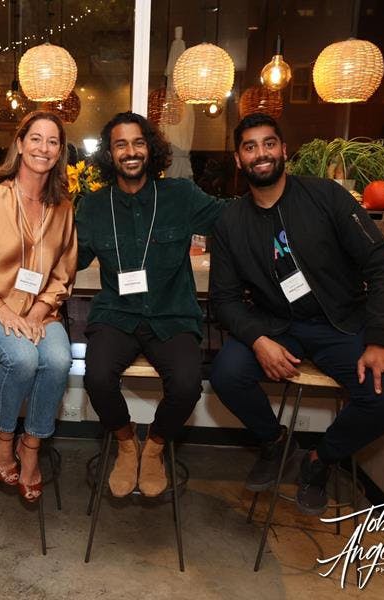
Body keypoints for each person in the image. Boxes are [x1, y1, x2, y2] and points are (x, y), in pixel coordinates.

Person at [208, 113, 384, 515]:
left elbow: (383, 268)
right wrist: (258, 340)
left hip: (338, 324)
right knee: (226, 374)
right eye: (250, 147)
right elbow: (224, 299)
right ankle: (276, 443)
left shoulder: (326, 197)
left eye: (269, 144)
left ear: (284, 150)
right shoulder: (230, 221)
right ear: (239, 160)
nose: (261, 154)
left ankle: (320, 460)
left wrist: (378, 340)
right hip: (275, 326)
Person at [76, 111, 226, 498]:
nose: (130, 151)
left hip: (172, 314)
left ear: (150, 148)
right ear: (109, 154)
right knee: (96, 377)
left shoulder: (180, 195)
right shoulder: (93, 206)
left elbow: (231, 221)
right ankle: (127, 445)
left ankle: (155, 447)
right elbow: (68, 259)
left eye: (138, 142)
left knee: (188, 385)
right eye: (121, 144)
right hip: (117, 314)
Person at [0, 111, 77, 502]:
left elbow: (63, 274)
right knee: (22, 358)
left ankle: (32, 445)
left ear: (60, 151)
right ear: (20, 144)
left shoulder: (63, 208)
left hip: (38, 311)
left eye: (53, 141)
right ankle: (3, 437)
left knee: (59, 359)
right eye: (35, 138)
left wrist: (38, 312)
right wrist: (3, 311)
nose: (43, 148)